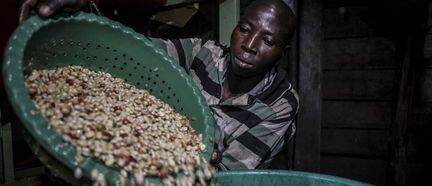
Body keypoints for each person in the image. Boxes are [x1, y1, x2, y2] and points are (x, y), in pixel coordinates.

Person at [18, 0, 298, 170]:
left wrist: (197, 160)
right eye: (245, 29)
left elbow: (230, 174)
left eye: (268, 41)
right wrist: (88, 15)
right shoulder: (205, 52)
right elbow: (136, 51)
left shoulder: (279, 105)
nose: (248, 46)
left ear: (282, 51)